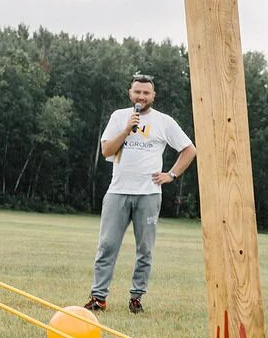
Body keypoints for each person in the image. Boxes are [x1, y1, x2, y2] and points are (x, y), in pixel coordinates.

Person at [84, 73, 196, 315]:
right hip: (117, 192)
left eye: (146, 93)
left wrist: (171, 175)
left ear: (153, 95)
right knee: (107, 246)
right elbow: (106, 151)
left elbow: (189, 150)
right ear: (130, 93)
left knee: (145, 249)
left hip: (148, 195)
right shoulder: (118, 117)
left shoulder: (164, 121)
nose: (141, 96)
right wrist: (126, 129)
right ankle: (98, 297)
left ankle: (136, 298)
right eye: (137, 92)